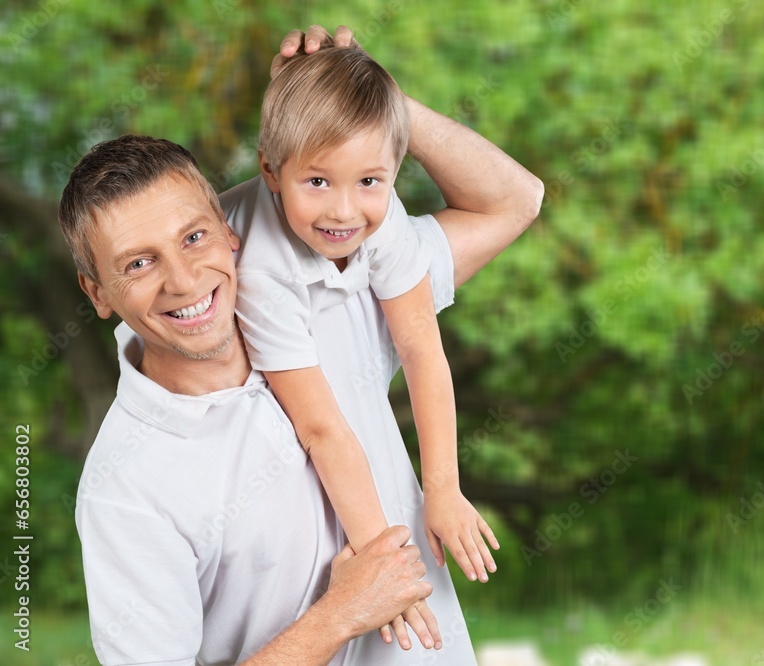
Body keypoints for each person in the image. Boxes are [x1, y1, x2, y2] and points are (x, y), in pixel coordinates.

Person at [63, 24, 543, 664]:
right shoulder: (127, 488)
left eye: (194, 238)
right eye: (137, 264)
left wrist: (357, 97)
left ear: (230, 232)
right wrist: (339, 615)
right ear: (97, 293)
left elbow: (514, 201)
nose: (183, 281)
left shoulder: (340, 281)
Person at [233, 42, 498, 654]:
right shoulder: (263, 267)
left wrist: (445, 487)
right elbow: (322, 428)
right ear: (271, 171)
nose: (344, 209)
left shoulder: (378, 211)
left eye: (369, 182)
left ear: (392, 173)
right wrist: (384, 570)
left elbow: (421, 349)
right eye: (317, 181)